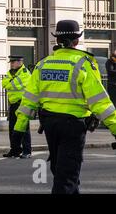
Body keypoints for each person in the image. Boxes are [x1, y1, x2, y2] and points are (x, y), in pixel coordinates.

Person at [12, 20, 116, 194]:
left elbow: (28, 100)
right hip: (73, 126)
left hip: (50, 125)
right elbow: (100, 102)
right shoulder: (82, 64)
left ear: (57, 41)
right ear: (76, 41)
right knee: (66, 178)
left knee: (62, 172)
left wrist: (18, 130)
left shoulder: (43, 64)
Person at [2, 55, 32, 159]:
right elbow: (4, 83)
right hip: (13, 104)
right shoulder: (11, 73)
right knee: (12, 128)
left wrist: (10, 81)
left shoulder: (25, 74)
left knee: (23, 128)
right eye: (11, 62)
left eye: (13, 62)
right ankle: (14, 150)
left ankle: (27, 150)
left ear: (20, 62)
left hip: (23, 103)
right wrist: (11, 81)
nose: (11, 64)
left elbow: (10, 85)